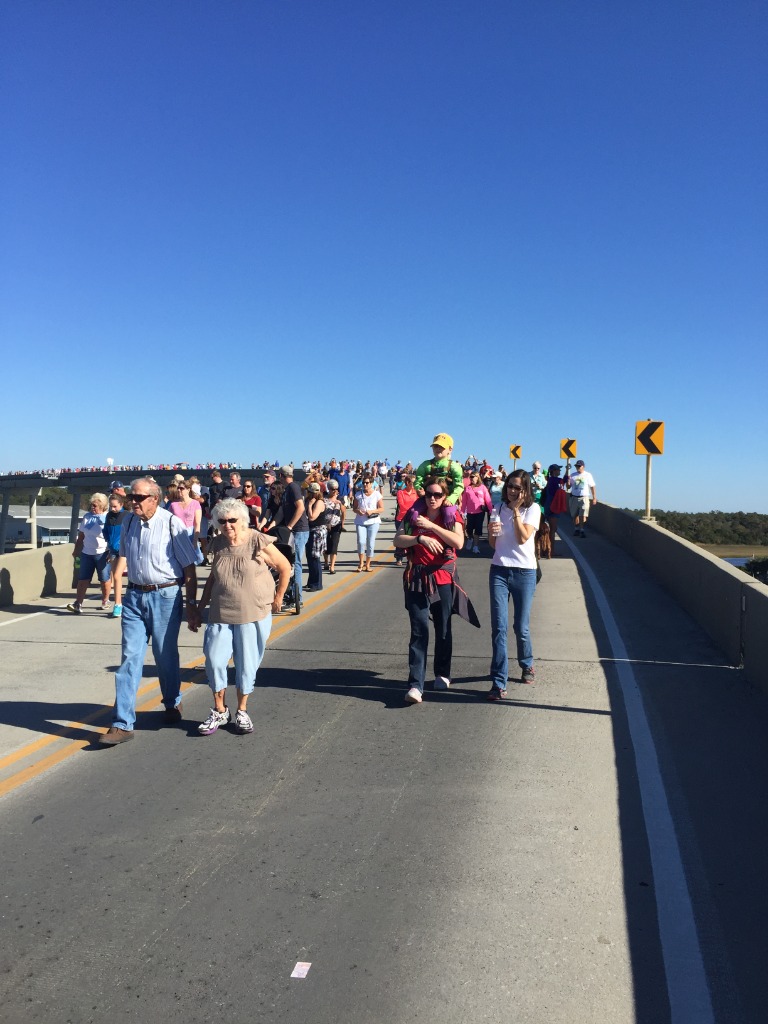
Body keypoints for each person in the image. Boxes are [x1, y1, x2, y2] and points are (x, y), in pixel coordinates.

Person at [99, 478, 199, 746]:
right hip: (134, 596)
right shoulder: (129, 522)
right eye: (131, 497)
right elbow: (123, 558)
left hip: (165, 595)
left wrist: (192, 605)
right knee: (129, 658)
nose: (133, 501)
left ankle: (172, 702)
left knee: (164, 656)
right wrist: (117, 590)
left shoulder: (171, 523)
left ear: (155, 498)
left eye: (139, 497)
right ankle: (122, 724)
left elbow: (189, 567)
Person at [188, 498, 291, 736]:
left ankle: (242, 710)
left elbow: (285, 567)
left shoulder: (257, 539)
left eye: (232, 520)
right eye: (222, 521)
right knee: (214, 662)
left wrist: (278, 597)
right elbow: (212, 579)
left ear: (242, 520)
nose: (227, 525)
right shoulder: (217, 543)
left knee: (246, 665)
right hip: (220, 612)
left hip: (253, 613)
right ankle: (220, 710)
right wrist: (199, 608)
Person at [394, 476, 475, 703]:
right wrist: (420, 538)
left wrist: (431, 527)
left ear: (445, 496)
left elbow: (458, 542)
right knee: (419, 629)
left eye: (438, 495)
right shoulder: (414, 515)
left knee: (443, 627)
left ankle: (442, 673)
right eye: (429, 494)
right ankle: (415, 685)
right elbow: (398, 539)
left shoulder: (451, 515)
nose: (432, 498)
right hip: (417, 577)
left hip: (442, 577)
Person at [487, 469, 541, 699]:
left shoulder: (533, 509)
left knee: (521, 626)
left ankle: (526, 663)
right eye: (509, 486)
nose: (512, 491)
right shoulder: (497, 509)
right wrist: (491, 532)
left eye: (517, 487)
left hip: (525, 572)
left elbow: (522, 538)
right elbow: (493, 544)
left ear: (526, 490)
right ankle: (499, 682)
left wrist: (516, 511)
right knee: (499, 627)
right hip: (499, 570)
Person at [66, 493, 111, 614]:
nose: (92, 507)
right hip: (87, 552)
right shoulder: (87, 517)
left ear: (102, 505)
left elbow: (113, 536)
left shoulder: (108, 517)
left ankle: (105, 600)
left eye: (95, 505)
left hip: (103, 552)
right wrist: (76, 550)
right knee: (83, 579)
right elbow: (81, 536)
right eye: (91, 505)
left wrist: (111, 552)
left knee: (104, 579)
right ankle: (78, 603)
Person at [280, 465, 308, 605]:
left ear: (281, 476)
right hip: (293, 530)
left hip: (299, 530)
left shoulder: (293, 488)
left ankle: (298, 598)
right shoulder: (287, 490)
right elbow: (281, 512)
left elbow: (301, 507)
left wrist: (290, 526)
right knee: (289, 562)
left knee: (295, 562)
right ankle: (291, 593)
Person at [413, 432, 464, 504]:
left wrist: (451, 499)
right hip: (428, 499)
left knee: (449, 511)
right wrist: (419, 489)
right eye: (435, 446)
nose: (438, 448)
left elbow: (459, 486)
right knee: (414, 510)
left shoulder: (454, 466)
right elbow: (418, 480)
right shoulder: (425, 465)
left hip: (447, 500)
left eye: (442, 446)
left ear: (450, 449)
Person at [103, 492, 128, 618]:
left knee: (117, 575)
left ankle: (118, 604)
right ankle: (119, 603)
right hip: (113, 550)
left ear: (121, 504)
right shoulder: (109, 516)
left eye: (115, 506)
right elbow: (106, 532)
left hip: (124, 550)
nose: (112, 509)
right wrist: (109, 548)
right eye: (111, 506)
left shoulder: (127, 515)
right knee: (115, 577)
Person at [353, 474, 384, 572]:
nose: (365, 484)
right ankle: (361, 562)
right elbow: (354, 508)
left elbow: (381, 508)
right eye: (363, 483)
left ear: (371, 483)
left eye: (367, 483)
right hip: (360, 521)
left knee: (370, 543)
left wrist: (372, 511)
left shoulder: (377, 494)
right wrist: (358, 511)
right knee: (361, 542)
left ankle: (368, 564)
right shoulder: (358, 494)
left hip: (373, 521)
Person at [460, 470, 493, 554]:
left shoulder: (483, 487)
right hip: (470, 512)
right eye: (470, 477)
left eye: (472, 477)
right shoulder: (467, 488)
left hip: (480, 511)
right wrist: (462, 511)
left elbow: (488, 499)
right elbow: (464, 501)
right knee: (469, 529)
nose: (471, 478)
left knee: (478, 529)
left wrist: (490, 510)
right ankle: (470, 539)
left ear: (477, 477)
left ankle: (475, 546)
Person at [305, 482, 328, 591]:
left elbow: (312, 517)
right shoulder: (309, 500)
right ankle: (311, 582)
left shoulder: (319, 502)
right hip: (310, 530)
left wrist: (310, 506)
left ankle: (317, 584)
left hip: (317, 531)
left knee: (314, 557)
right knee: (309, 557)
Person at [169, 480, 203, 552]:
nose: (179, 490)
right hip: (176, 535)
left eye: (181, 488)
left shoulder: (195, 503)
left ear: (188, 490)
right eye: (178, 488)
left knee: (194, 558)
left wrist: (195, 540)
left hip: (190, 535)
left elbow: (197, 523)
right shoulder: (173, 504)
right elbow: (168, 521)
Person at [567, 459, 597, 538]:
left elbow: (592, 486)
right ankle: (576, 528)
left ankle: (582, 530)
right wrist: (568, 481)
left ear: (583, 466)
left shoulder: (587, 475)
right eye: (576, 466)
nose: (577, 467)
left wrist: (594, 497)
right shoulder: (573, 475)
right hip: (574, 497)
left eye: (579, 466)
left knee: (583, 515)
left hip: (584, 497)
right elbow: (568, 487)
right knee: (574, 515)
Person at [394, 474, 418, 565]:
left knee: (411, 538)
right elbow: (402, 505)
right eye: (413, 482)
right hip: (402, 518)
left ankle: (410, 558)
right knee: (401, 537)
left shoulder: (416, 492)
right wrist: (412, 510)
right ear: (407, 483)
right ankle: (399, 557)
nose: (414, 484)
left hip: (413, 518)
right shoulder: (401, 492)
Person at [542, 464, 567, 553]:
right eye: (558, 470)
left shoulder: (550, 480)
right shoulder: (555, 480)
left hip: (548, 506)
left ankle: (545, 549)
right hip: (553, 507)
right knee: (553, 529)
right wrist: (567, 469)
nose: (559, 471)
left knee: (550, 529)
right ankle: (551, 551)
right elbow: (565, 480)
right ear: (554, 471)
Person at [323, 479, 345, 574]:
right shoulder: (324, 498)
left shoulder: (340, 498)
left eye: (336, 489)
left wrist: (339, 503)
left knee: (334, 545)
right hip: (325, 524)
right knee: (325, 545)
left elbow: (344, 511)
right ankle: (326, 562)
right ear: (329, 488)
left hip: (336, 524)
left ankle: (332, 566)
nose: (334, 491)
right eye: (332, 489)